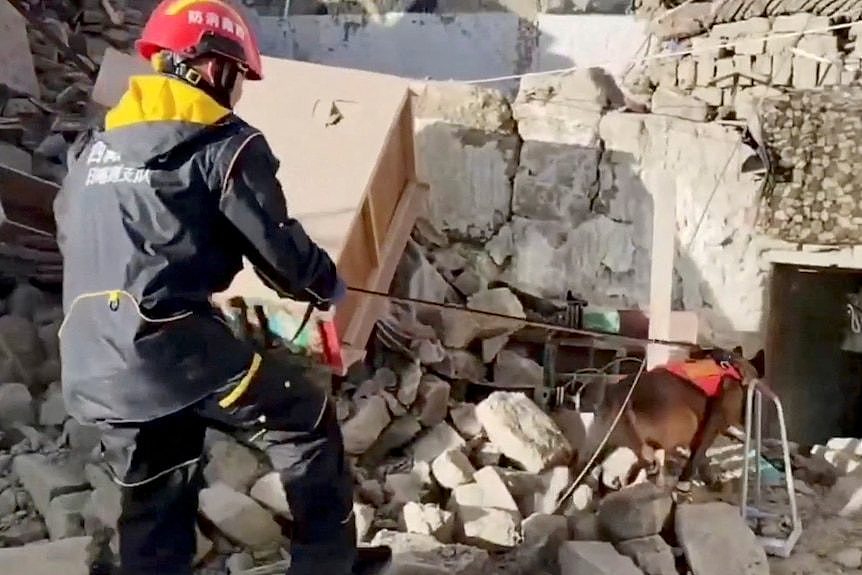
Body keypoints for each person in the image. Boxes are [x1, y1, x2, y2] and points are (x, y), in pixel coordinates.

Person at [53, 1, 357, 573]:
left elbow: (73, 233)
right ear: (213, 68)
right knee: (304, 411)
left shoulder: (91, 149)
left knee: (155, 488)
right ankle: (329, 563)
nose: (238, 92)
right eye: (238, 76)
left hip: (91, 356)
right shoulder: (226, 146)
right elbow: (280, 253)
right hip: (170, 351)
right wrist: (325, 287)